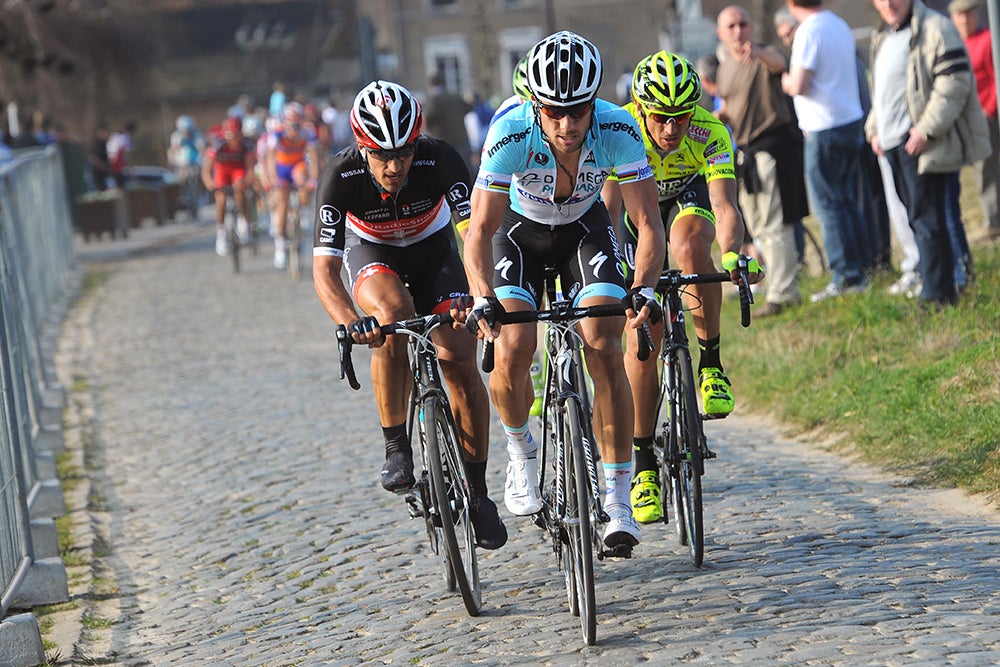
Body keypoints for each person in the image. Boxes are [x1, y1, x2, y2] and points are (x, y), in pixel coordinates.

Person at [453, 31, 667, 551]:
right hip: (518, 234)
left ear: (594, 103)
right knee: (515, 344)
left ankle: (617, 500)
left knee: (604, 342)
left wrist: (643, 289)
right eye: (554, 112)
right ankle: (522, 449)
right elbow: (478, 234)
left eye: (578, 111)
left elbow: (647, 223)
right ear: (535, 106)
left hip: (584, 229)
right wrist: (482, 297)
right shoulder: (509, 133)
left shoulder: (618, 128)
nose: (568, 125)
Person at [312, 80, 506, 550]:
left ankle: (478, 492)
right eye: (381, 155)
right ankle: (396, 445)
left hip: (433, 250)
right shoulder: (340, 175)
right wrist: (347, 321)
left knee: (458, 356)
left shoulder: (440, 158)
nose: (395, 166)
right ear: (362, 147)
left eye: (403, 151)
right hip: (372, 249)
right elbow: (324, 268)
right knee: (391, 319)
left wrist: (481, 297)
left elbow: (473, 239)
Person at [601, 51, 763, 525]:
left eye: (680, 117)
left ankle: (710, 363)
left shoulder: (709, 131)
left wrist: (733, 255)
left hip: (688, 196)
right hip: (636, 211)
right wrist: (617, 280)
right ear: (640, 109)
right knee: (640, 335)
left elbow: (726, 205)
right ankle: (644, 461)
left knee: (692, 248)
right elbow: (610, 214)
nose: (671, 129)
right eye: (661, 118)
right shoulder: (620, 131)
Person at [867, 0, 990, 308]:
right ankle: (938, 285)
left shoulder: (937, 27)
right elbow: (880, 91)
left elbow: (954, 82)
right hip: (892, 144)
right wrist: (873, 129)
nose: (889, 3)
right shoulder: (882, 36)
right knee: (916, 218)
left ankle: (938, 295)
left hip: (922, 144)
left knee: (931, 219)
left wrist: (925, 130)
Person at [716, 5, 806, 317]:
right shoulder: (726, 66)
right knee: (754, 225)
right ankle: (773, 284)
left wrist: (758, 51)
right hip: (745, 153)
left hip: (770, 148)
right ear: (721, 33)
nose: (738, 31)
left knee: (774, 224)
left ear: (751, 27)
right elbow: (729, 107)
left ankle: (784, 292)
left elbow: (781, 63)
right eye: (731, 26)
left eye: (743, 24)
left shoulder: (763, 54)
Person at [781, 0, 871, 302]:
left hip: (824, 128)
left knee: (828, 206)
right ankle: (863, 267)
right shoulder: (838, 23)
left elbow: (800, 84)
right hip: (849, 121)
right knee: (846, 199)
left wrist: (785, 81)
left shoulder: (808, 30)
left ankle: (845, 275)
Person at [949, 0, 1000, 241]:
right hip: (968, 119)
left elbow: (996, 78)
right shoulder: (958, 43)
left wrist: (990, 110)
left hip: (988, 116)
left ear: (976, 14)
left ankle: (993, 222)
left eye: (967, 14)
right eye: (958, 15)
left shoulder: (989, 40)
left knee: (986, 169)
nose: (963, 20)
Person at [266, 102, 319, 269]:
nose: (294, 129)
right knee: (282, 203)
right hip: (281, 168)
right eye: (291, 125)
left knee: (303, 180)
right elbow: (270, 158)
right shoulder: (276, 134)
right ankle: (280, 245)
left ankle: (303, 212)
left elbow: (313, 157)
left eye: (297, 124)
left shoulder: (307, 133)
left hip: (297, 166)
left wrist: (314, 178)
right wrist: (273, 179)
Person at [202, 117, 255, 256]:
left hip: (238, 170)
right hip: (222, 170)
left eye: (237, 135)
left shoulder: (246, 144)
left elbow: (250, 168)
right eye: (231, 135)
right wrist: (210, 184)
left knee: (239, 190)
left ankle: (244, 222)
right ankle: (221, 234)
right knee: (221, 200)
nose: (235, 139)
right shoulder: (217, 144)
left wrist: (247, 182)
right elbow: (207, 169)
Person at [423, 72, 473, 172]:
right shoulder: (455, 96)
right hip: (460, 140)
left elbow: (429, 118)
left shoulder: (433, 100)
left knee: (447, 172)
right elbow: (469, 107)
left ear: (431, 85)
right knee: (464, 170)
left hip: (443, 141)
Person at [107, 120, 137, 189]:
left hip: (108, 165)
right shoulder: (126, 138)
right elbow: (125, 155)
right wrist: (131, 170)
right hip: (117, 166)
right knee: (120, 189)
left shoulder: (114, 136)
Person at [88, 122, 112, 191]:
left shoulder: (106, 144)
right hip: (98, 177)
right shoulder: (97, 145)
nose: (105, 134)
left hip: (105, 177)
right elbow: (93, 159)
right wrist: (103, 166)